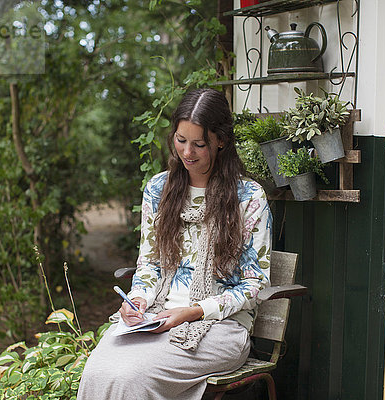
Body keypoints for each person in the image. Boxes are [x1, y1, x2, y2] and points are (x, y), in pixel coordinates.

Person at [77, 88, 272, 400]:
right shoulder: (159, 189)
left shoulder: (248, 197)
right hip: (155, 316)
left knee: (132, 379)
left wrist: (192, 311)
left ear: (220, 141)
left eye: (199, 144)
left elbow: (255, 285)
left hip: (219, 327)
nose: (188, 153)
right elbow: (150, 264)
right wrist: (138, 300)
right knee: (97, 373)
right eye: (181, 140)